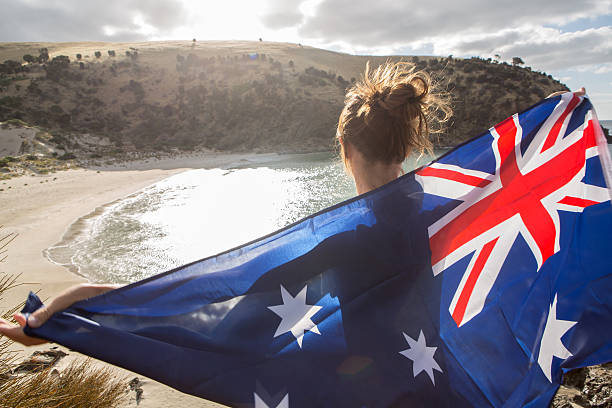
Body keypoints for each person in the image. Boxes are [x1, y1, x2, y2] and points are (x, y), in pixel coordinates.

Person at [0, 60, 584, 347]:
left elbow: (211, 304)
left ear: (343, 150)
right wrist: (563, 128)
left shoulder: (339, 244)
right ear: (409, 142)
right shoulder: (453, 213)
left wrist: (76, 309)